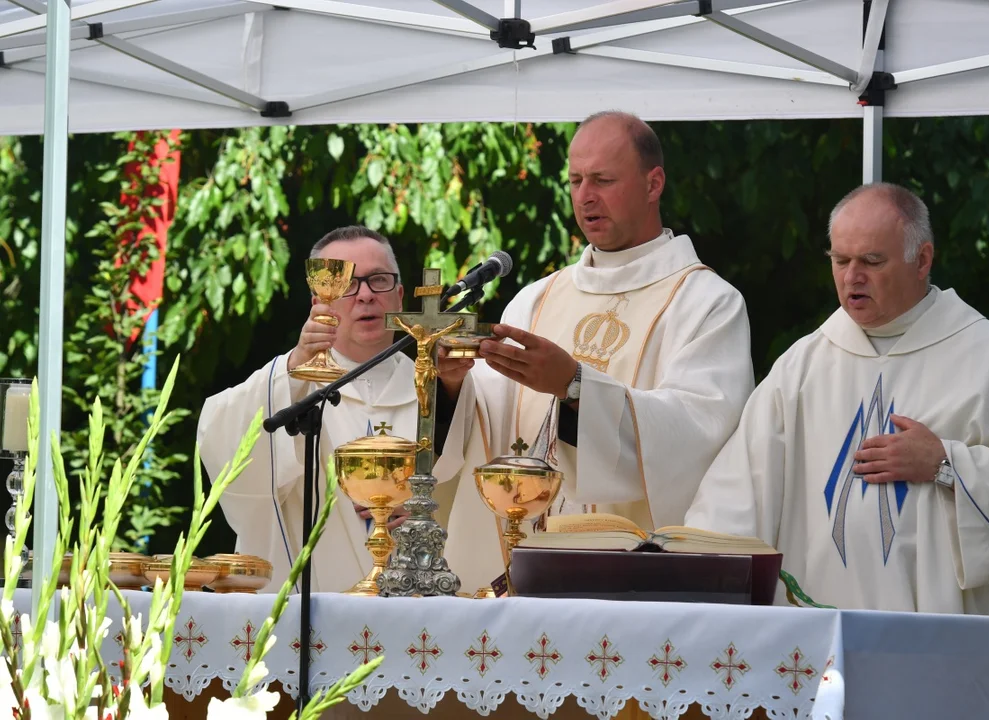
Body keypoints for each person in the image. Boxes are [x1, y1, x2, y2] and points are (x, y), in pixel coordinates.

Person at [684, 183, 989, 617]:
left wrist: (945, 465)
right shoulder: (801, 367)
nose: (852, 277)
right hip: (817, 637)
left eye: (872, 261)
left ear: (922, 260)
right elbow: (736, 496)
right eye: (840, 260)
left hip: (941, 634)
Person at [435, 111, 755, 594]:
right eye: (576, 180)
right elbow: (490, 425)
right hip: (516, 568)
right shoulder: (537, 298)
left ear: (654, 184)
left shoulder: (707, 303)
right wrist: (454, 385)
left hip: (632, 582)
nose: (586, 196)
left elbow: (701, 436)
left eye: (603, 180)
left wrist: (576, 387)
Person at [197, 225, 462, 593]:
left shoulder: (443, 389)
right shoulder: (291, 387)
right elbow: (220, 434)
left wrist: (420, 506)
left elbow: (469, 472)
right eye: (347, 284)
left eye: (379, 280)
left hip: (422, 613)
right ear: (319, 303)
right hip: (312, 616)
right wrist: (293, 365)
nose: (366, 295)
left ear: (400, 295)